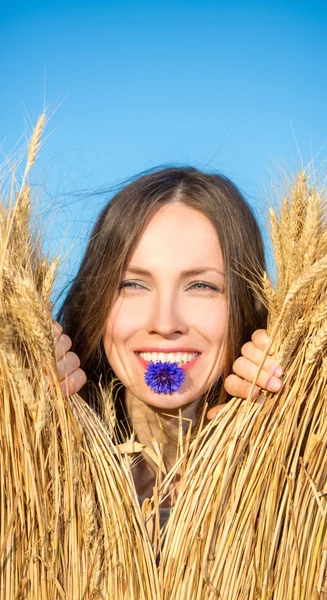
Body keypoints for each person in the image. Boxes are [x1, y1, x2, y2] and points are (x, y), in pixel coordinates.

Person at [53, 167, 283, 503]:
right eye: (132, 285)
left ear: (247, 303)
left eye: (201, 286)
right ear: (96, 302)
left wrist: (298, 439)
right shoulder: (28, 475)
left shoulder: (311, 487)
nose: (164, 322)